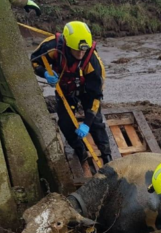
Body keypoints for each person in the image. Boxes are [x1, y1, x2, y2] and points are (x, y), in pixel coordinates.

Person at [30, 21, 110, 166]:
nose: (80, 54)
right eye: (76, 50)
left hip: (87, 90)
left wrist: (86, 123)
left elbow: (96, 96)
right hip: (65, 88)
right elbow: (34, 61)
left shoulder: (93, 63)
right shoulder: (51, 47)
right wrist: (44, 73)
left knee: (96, 123)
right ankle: (80, 150)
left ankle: (107, 156)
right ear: (67, 44)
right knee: (65, 123)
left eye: (83, 51)